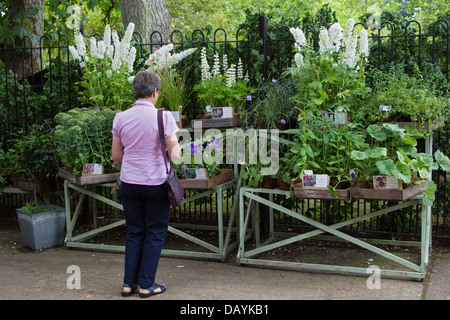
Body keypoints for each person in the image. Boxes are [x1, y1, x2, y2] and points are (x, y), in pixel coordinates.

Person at [111, 70, 181, 298]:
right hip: (155, 183)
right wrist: (176, 148)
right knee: (154, 232)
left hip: (129, 183)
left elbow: (117, 156)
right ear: (154, 92)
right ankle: (146, 285)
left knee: (134, 232)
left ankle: (127, 284)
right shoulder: (163, 117)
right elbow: (175, 154)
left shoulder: (120, 117)